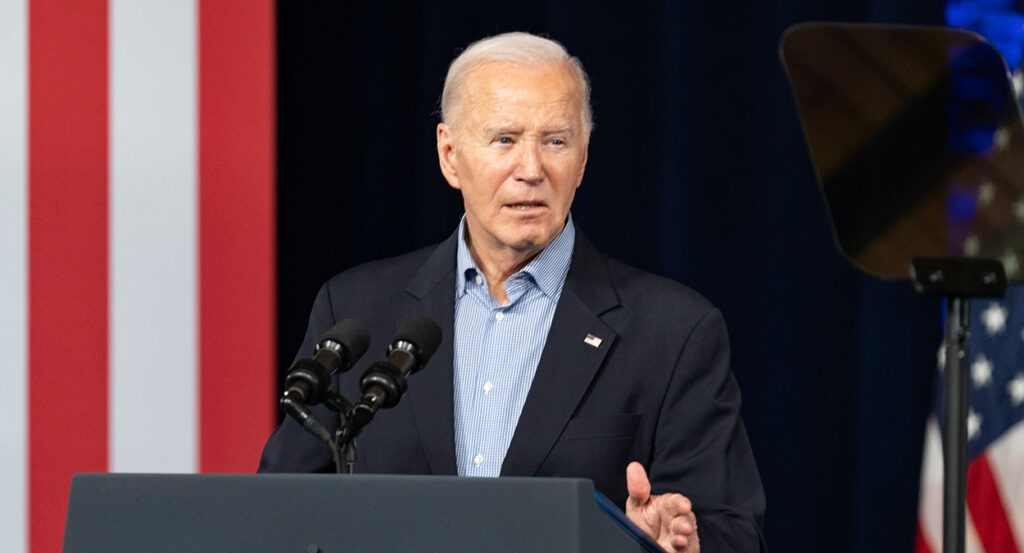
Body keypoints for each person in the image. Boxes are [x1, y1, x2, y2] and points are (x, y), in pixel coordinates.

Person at [260, 31, 765, 553]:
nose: (531, 170)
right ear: (450, 155)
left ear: (583, 160)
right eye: (504, 139)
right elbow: (275, 516)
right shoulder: (356, 311)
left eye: (556, 142)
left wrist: (677, 543)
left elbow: (734, 532)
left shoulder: (673, 330)